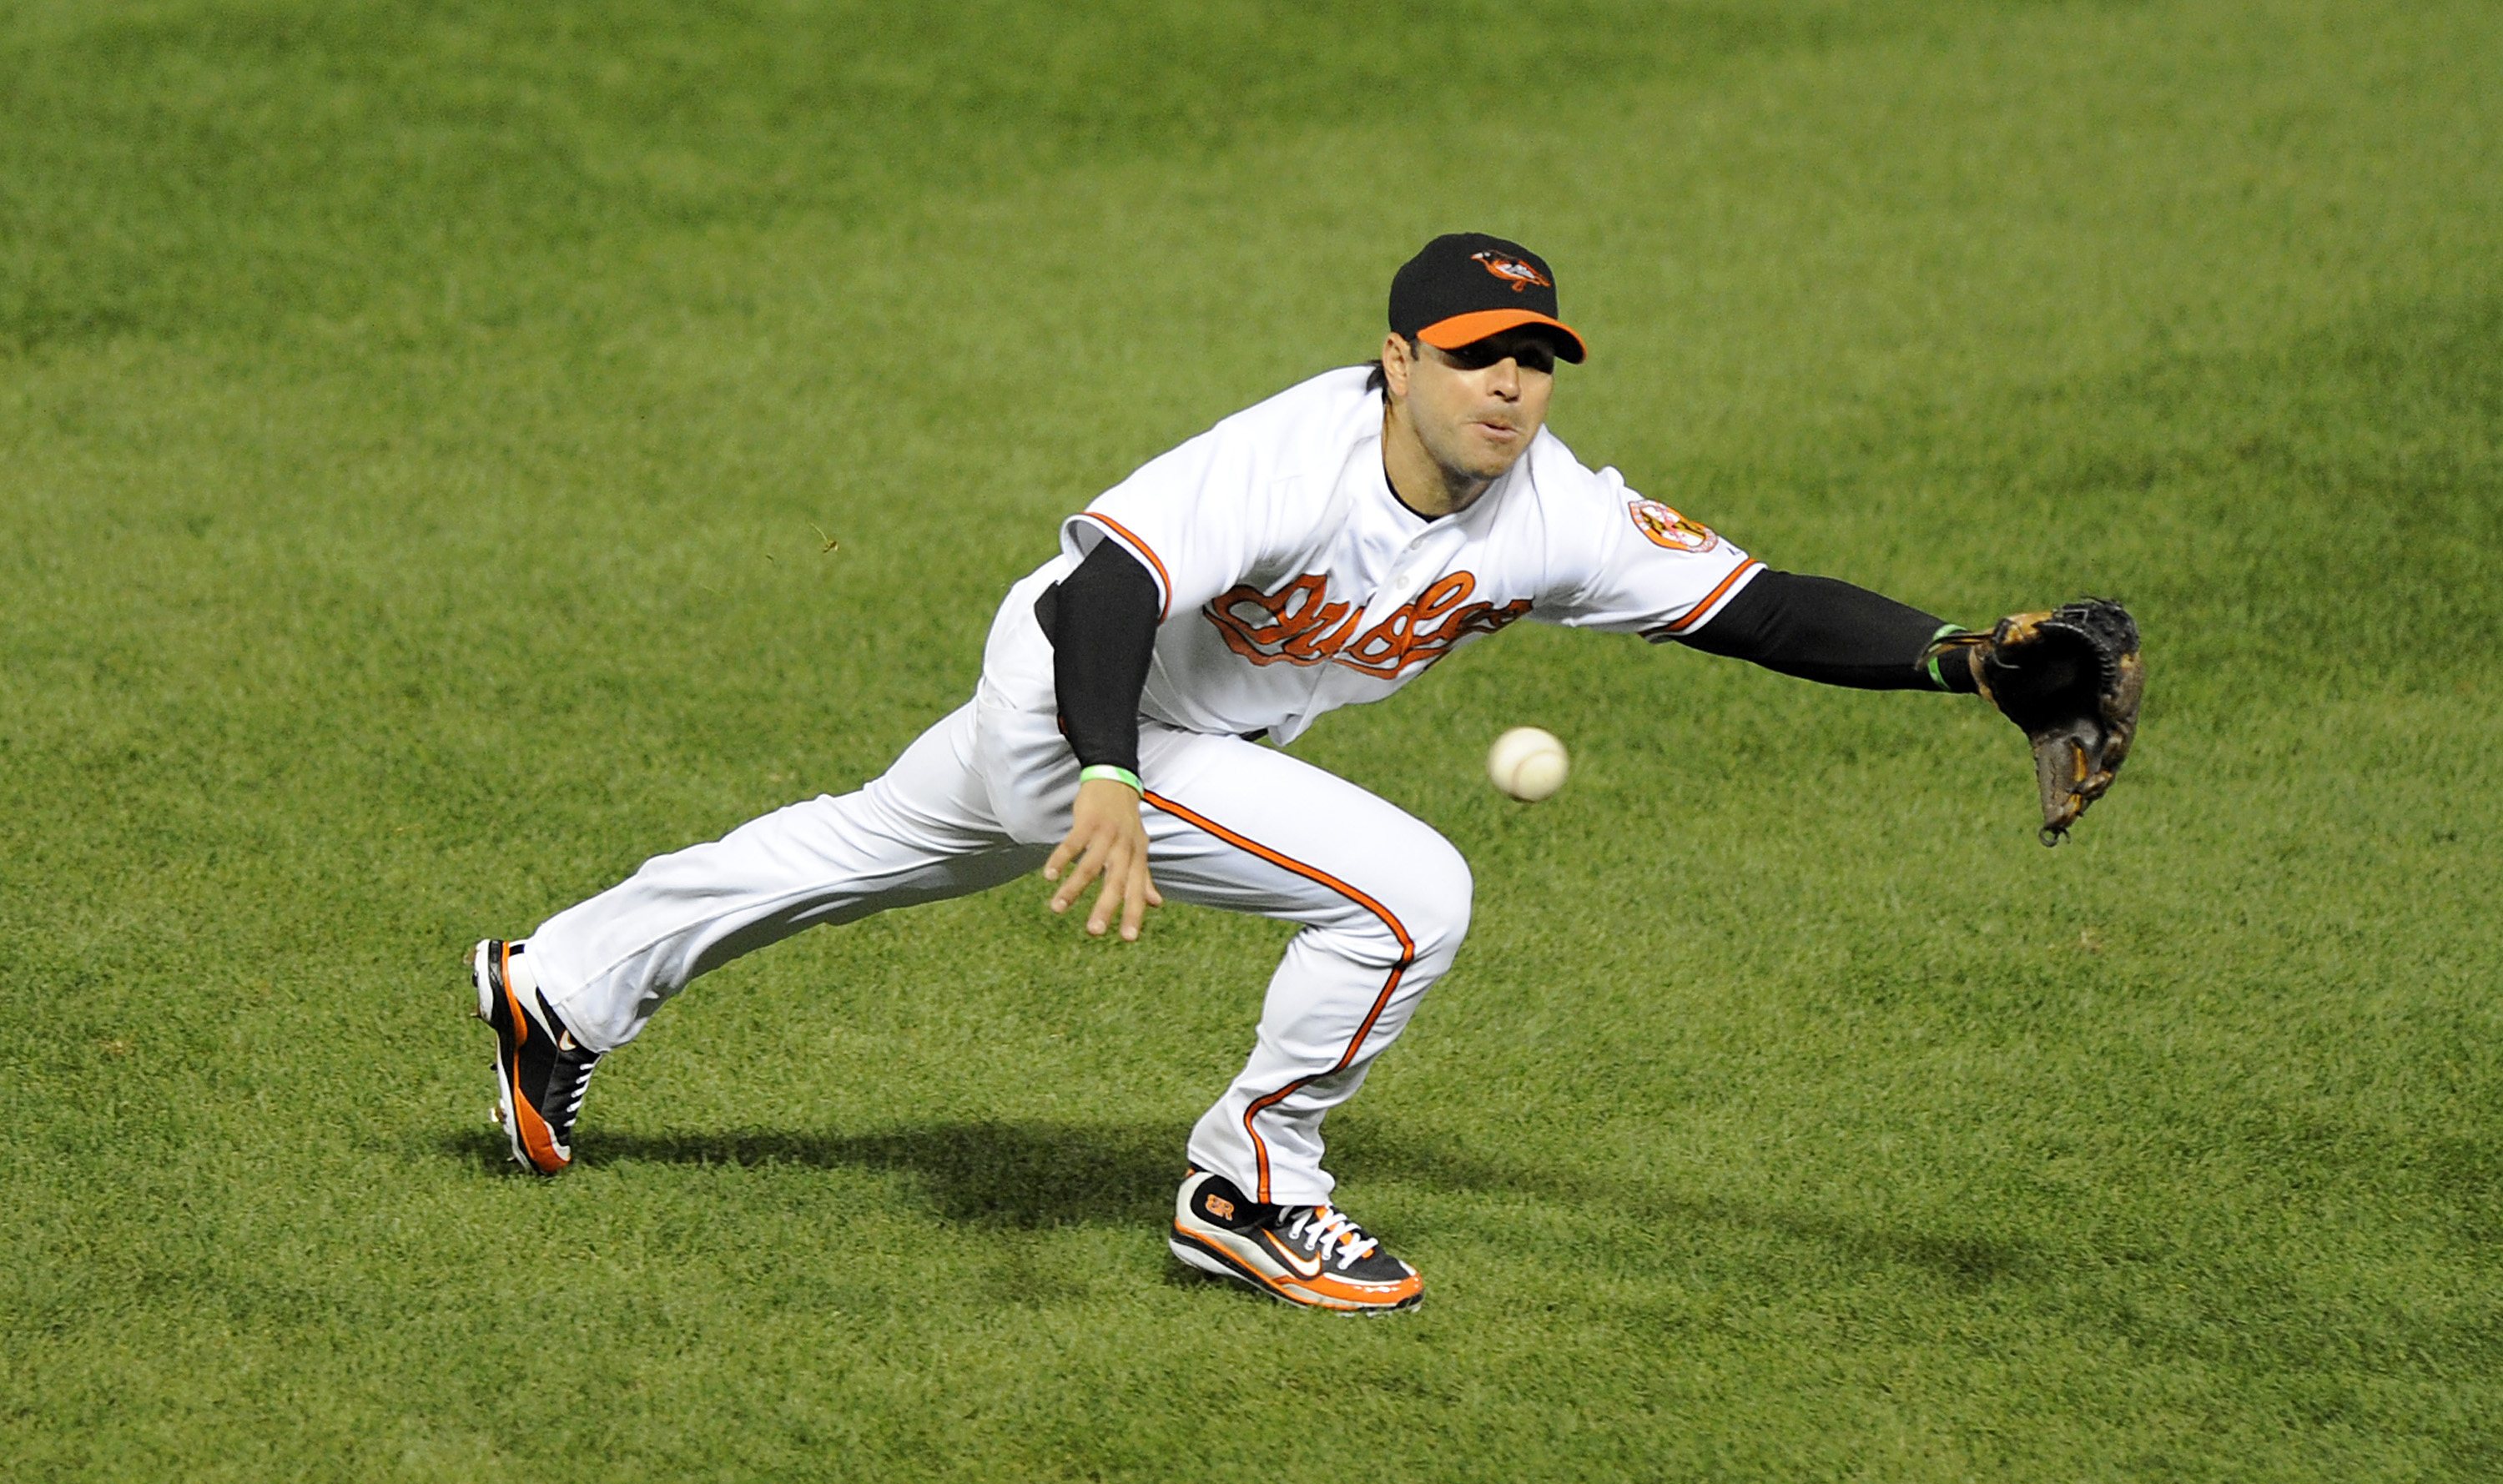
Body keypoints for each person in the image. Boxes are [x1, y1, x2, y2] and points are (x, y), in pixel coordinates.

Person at [471, 232, 2007, 1315]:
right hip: (1084, 709)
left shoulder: (1560, 514)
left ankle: (565, 979)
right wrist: (1109, 778)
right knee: (1411, 899)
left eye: (1538, 360)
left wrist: (1966, 657)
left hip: (1137, 735)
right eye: (1478, 358)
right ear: (1398, 359)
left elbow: (1768, 609)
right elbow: (1105, 598)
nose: (1512, 388)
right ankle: (1250, 1192)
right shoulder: (1291, 456)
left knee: (868, 844)